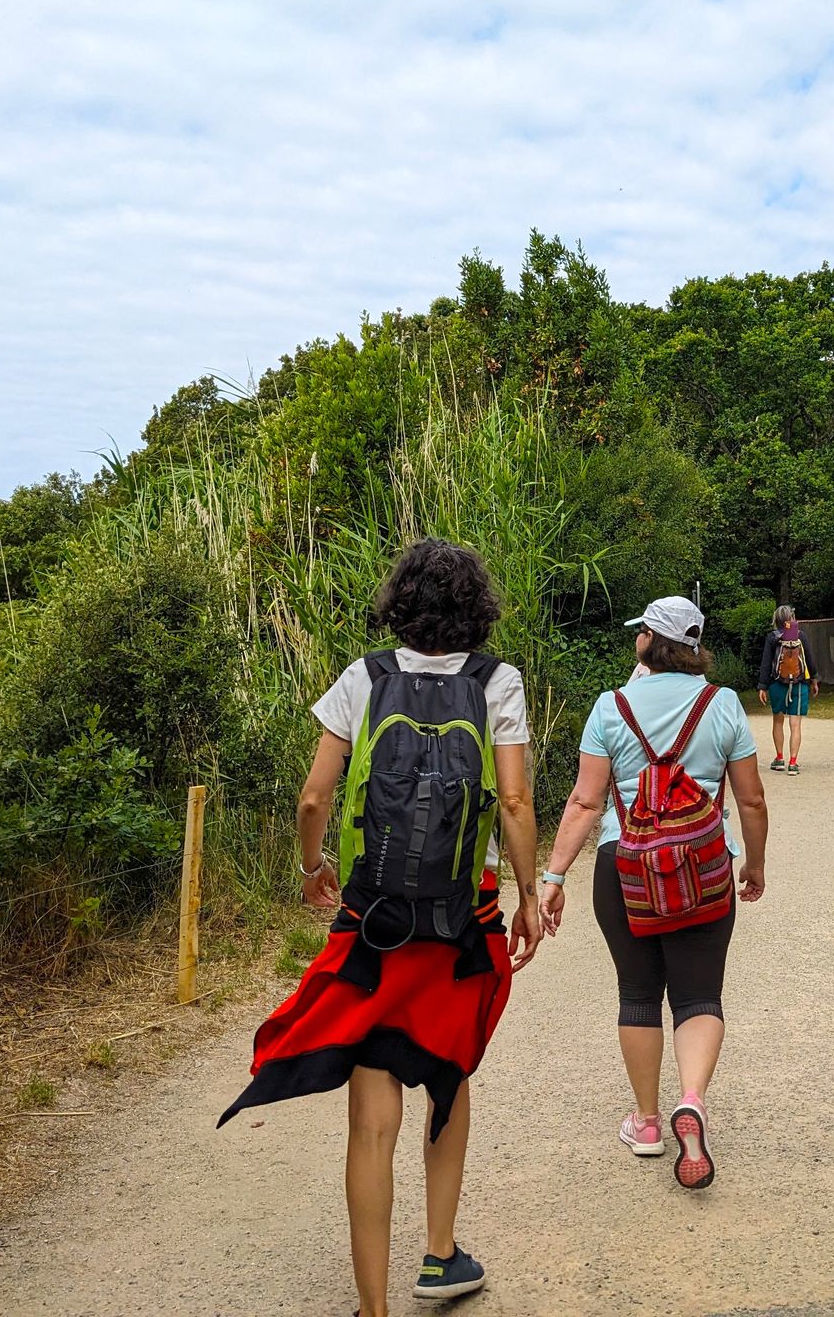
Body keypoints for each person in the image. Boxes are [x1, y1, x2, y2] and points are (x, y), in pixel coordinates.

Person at [219, 538, 543, 1315]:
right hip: (462, 921)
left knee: (372, 1111)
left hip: (373, 922)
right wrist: (530, 893)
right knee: (448, 1070)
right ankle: (439, 1255)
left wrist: (311, 871)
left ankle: (373, 1308)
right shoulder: (498, 681)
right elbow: (516, 802)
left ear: (400, 601)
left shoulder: (364, 678)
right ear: (477, 607)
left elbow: (312, 799)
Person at [541, 596, 768, 1191]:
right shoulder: (722, 705)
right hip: (705, 865)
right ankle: (691, 1100)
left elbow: (586, 801)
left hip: (625, 867)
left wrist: (555, 875)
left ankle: (646, 1122)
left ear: (650, 641)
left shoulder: (610, 706)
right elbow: (750, 800)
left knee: (638, 992)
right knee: (700, 994)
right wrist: (755, 866)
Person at [755, 604, 817, 774]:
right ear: (791, 618)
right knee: (795, 724)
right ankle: (793, 762)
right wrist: (814, 679)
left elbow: (766, 663)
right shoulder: (801, 636)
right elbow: (809, 659)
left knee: (778, 720)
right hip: (798, 685)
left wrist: (762, 686)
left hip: (777, 684)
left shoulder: (772, 638)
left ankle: (780, 758)